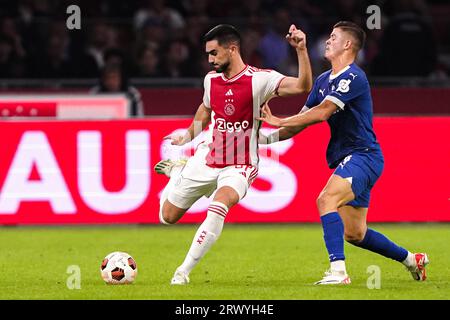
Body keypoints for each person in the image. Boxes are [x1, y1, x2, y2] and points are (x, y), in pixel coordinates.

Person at [258, 21, 429, 285]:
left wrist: (280, 120)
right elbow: (302, 120)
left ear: (348, 45)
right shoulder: (323, 81)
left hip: (363, 156)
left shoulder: (354, 77)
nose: (327, 41)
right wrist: (260, 139)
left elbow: (324, 112)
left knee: (325, 200)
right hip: (351, 158)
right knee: (355, 233)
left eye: (333, 37)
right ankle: (411, 259)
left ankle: (338, 272)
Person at [154, 24, 312, 285]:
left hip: (240, 164)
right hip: (207, 157)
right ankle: (177, 172)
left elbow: (303, 87)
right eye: (208, 54)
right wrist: (187, 135)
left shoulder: (260, 79)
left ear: (233, 49)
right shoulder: (211, 80)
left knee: (219, 205)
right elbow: (205, 111)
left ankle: (182, 272)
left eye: (214, 53)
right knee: (167, 217)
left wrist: (302, 50)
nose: (210, 60)